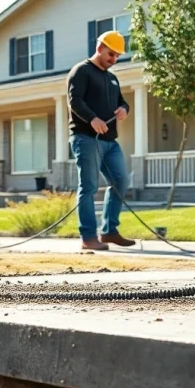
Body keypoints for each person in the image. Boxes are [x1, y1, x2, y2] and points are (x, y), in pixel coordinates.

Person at [66, 30, 136, 251]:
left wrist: (124, 109)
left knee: (121, 181)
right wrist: (92, 119)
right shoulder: (81, 71)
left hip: (110, 142)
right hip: (86, 139)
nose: (113, 59)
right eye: (110, 54)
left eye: (117, 56)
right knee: (89, 187)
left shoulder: (112, 78)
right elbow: (74, 100)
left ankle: (109, 231)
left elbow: (123, 102)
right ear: (99, 48)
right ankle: (88, 237)